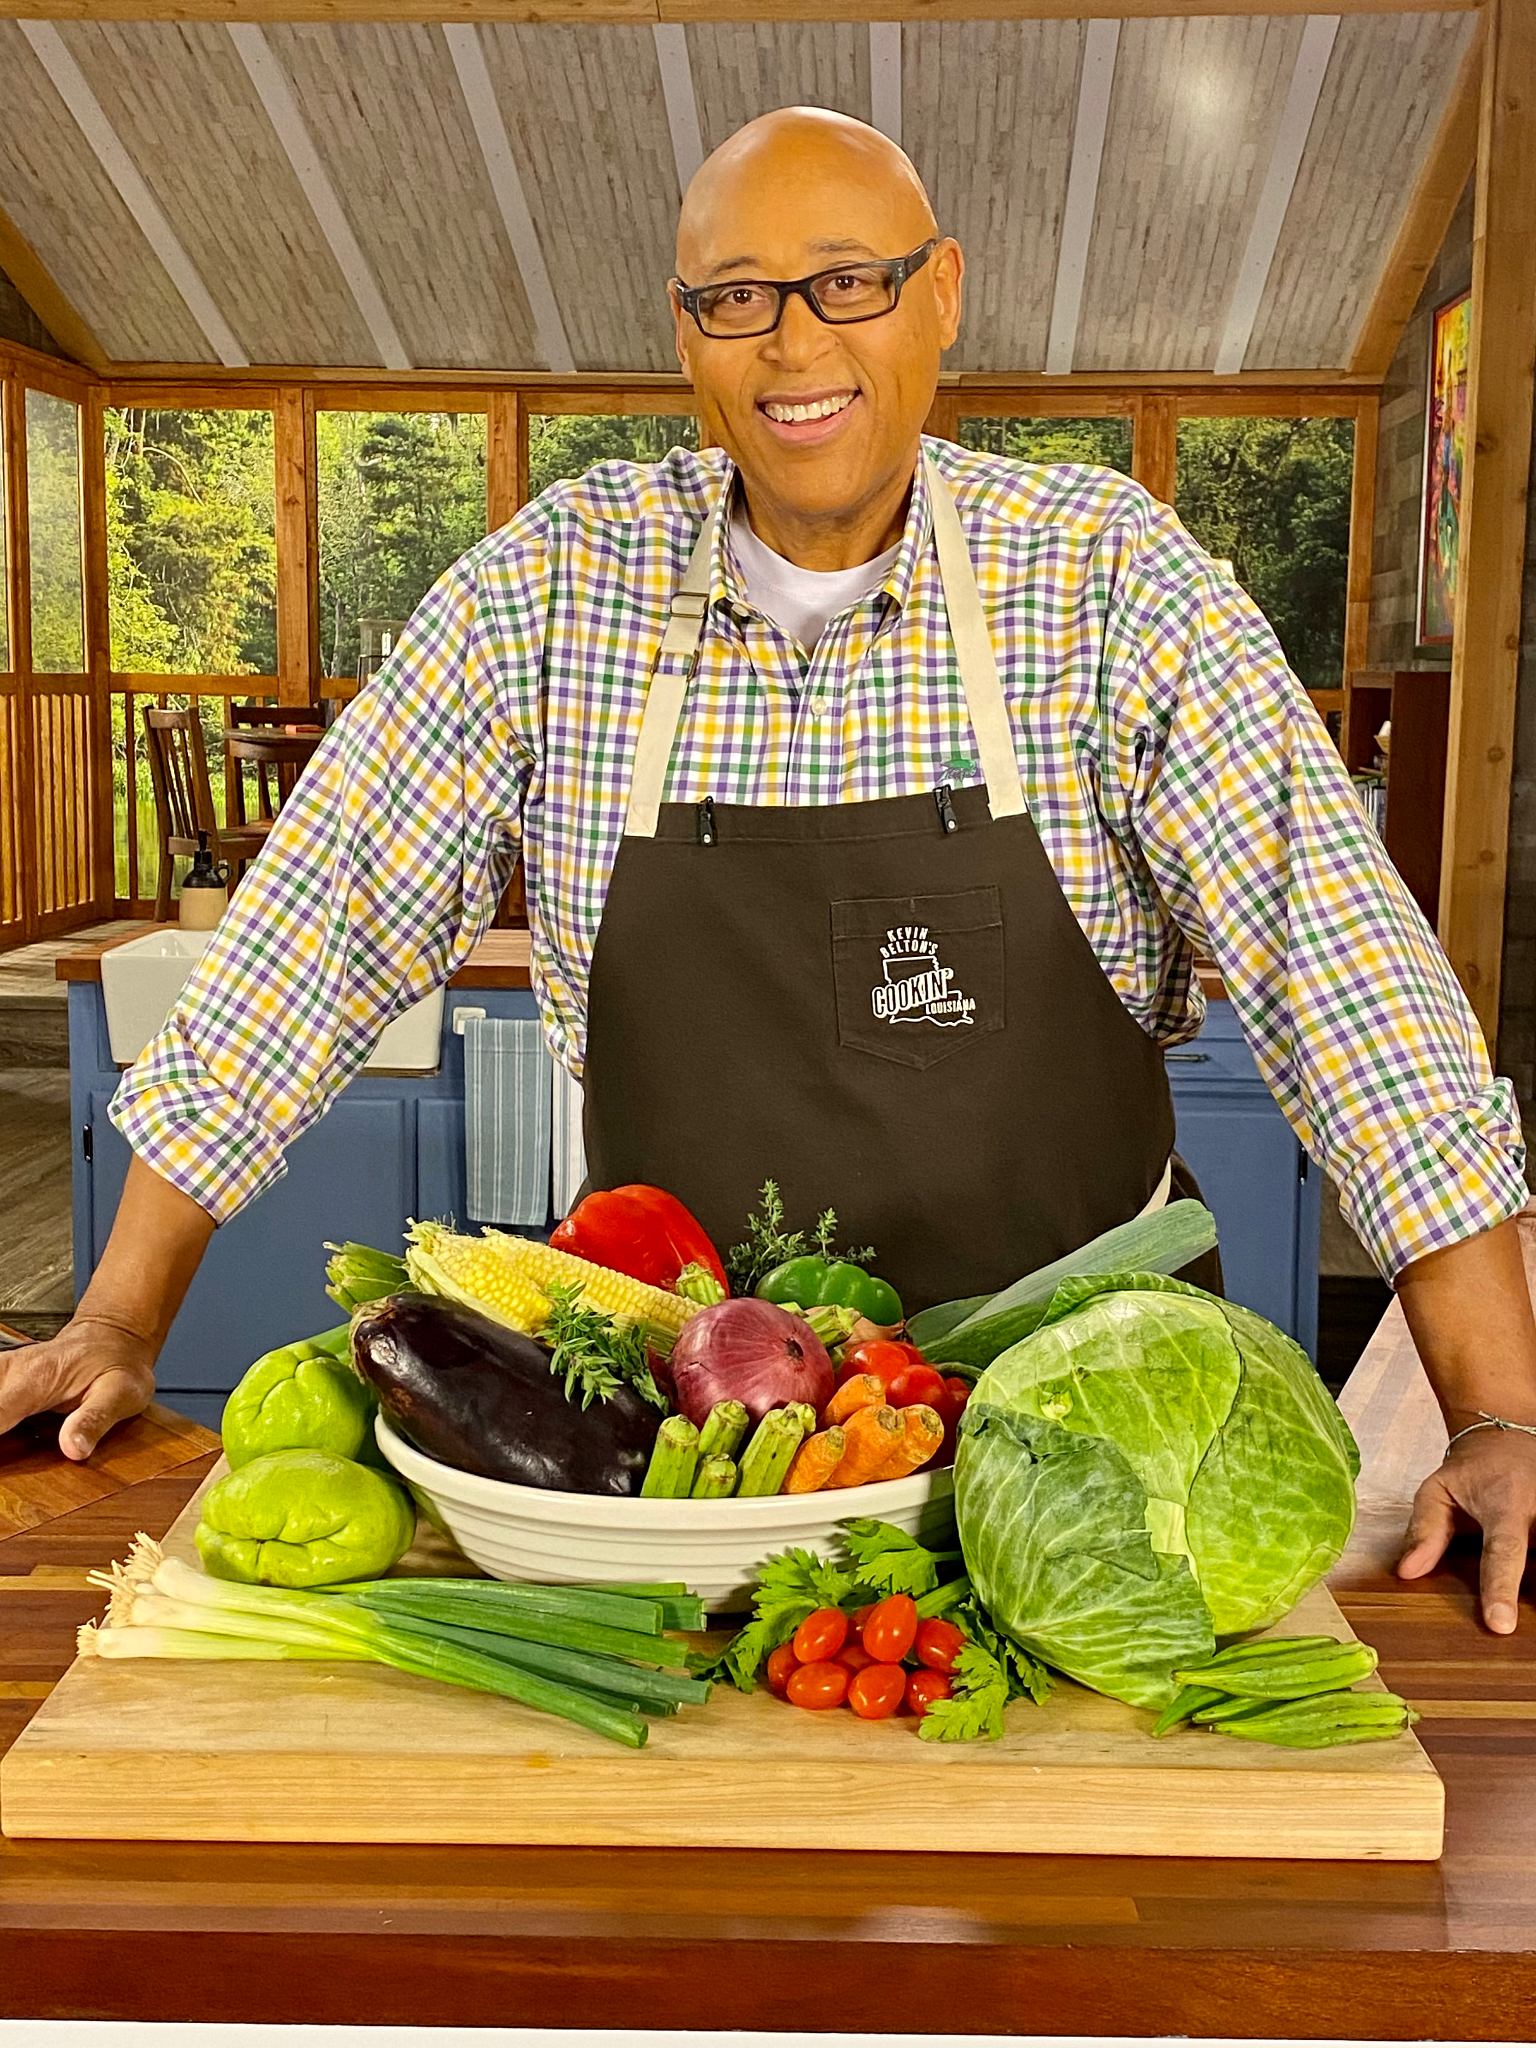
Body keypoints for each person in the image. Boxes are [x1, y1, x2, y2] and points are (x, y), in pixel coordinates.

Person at [3, 109, 1532, 1630]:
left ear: (942, 295)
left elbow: (1352, 990)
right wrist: (121, 1313)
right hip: (674, 1463)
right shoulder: (550, 593)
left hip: (1091, 1451)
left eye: (847, 282)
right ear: (689, 336)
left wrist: (1499, 1419)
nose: (794, 343)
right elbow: (312, 938)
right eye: (736, 296)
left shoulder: (1108, 581)